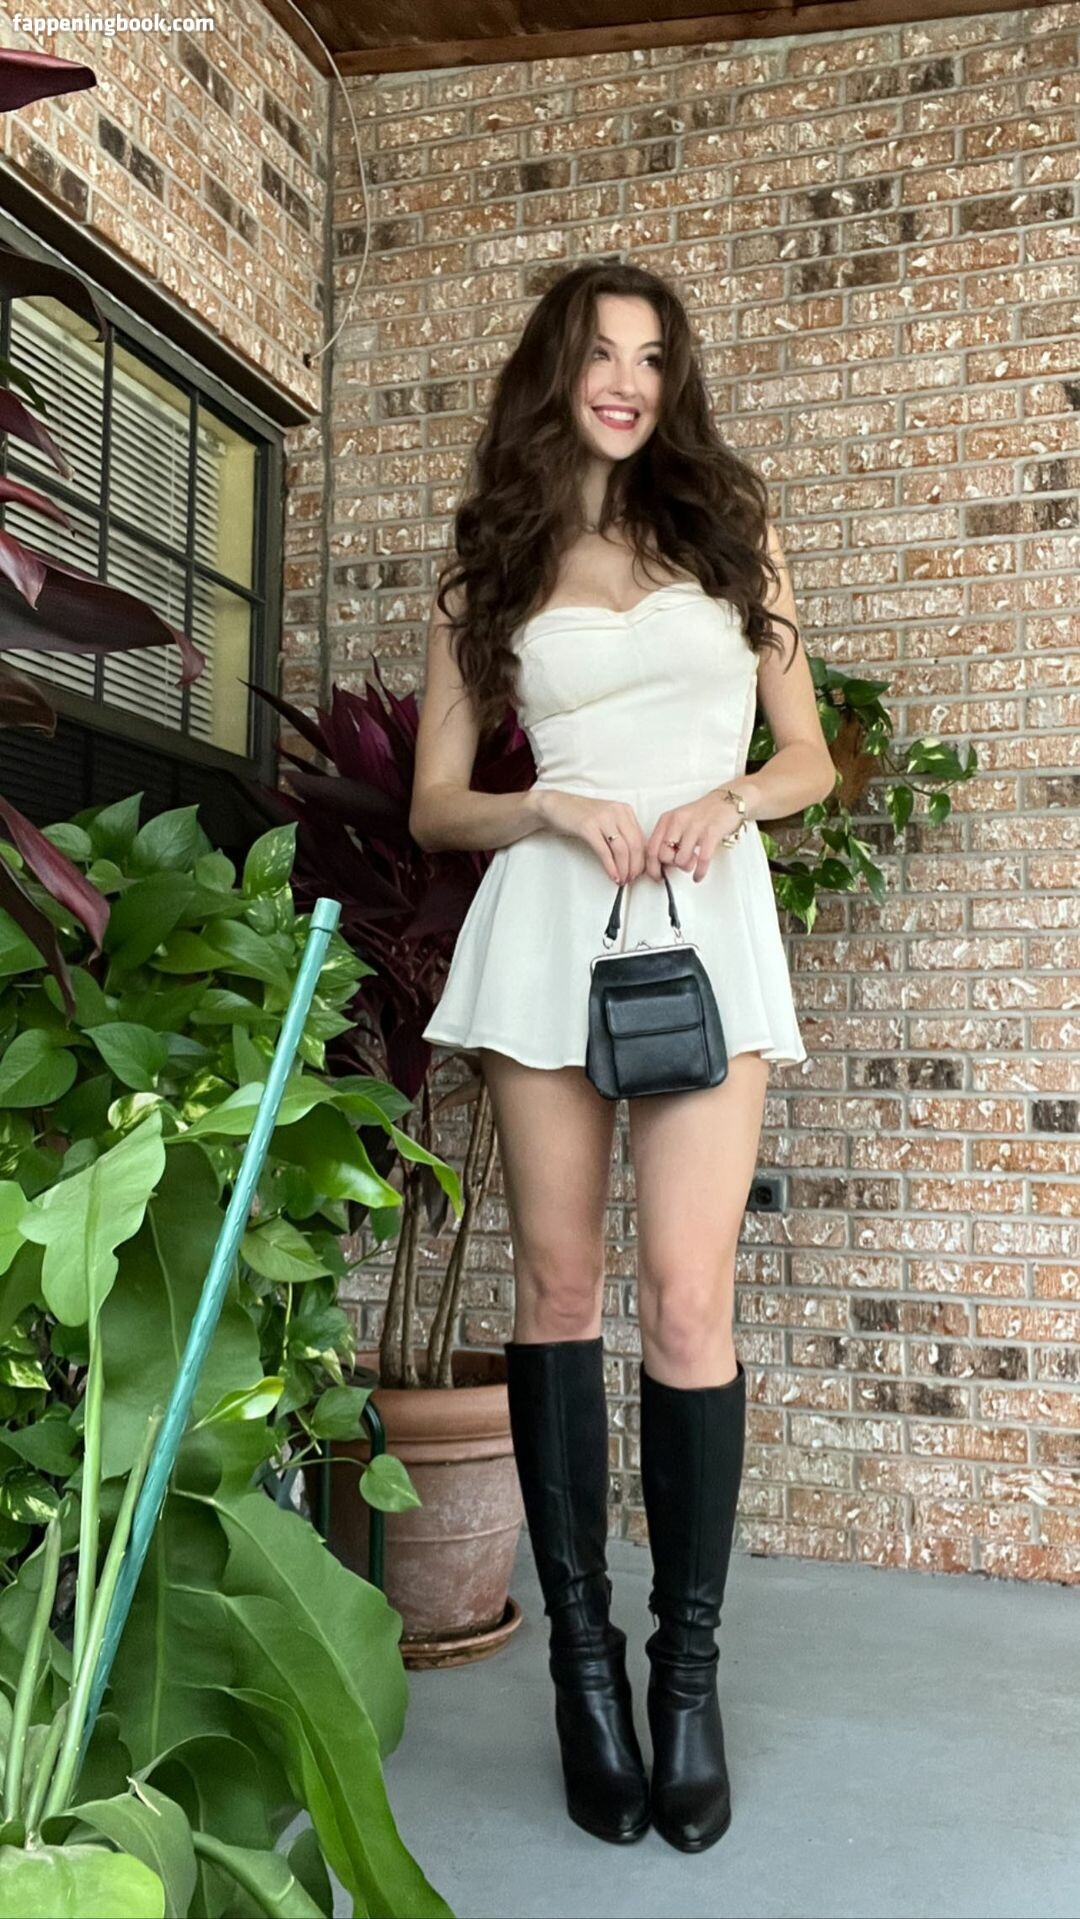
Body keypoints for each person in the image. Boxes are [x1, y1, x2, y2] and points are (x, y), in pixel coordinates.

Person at [409, 260, 834, 1854]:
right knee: (560, 1292)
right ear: (557, 369)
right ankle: (582, 1674)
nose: (628, 381)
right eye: (601, 353)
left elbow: (811, 755)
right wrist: (548, 801)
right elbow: (434, 805)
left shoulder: (734, 528)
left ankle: (687, 1680)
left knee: (690, 1299)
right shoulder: (491, 558)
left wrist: (734, 797)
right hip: (548, 925)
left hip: (705, 924)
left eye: (653, 357)